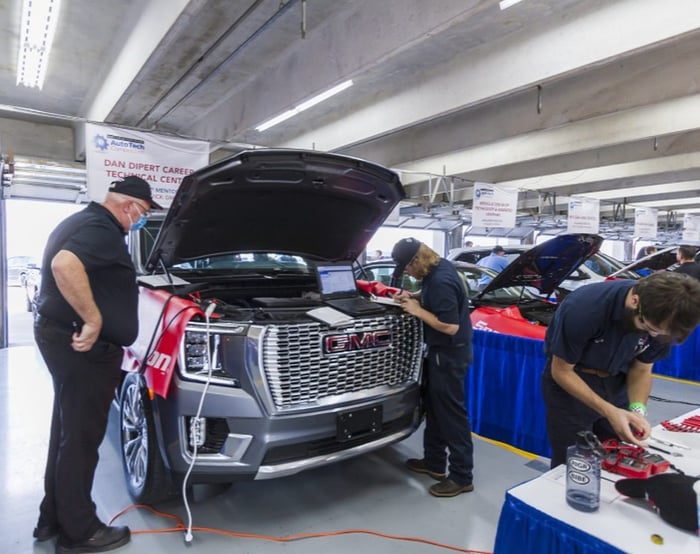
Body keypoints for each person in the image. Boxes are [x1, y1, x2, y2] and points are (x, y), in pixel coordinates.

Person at [33, 176, 162, 553]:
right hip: (82, 348)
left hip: (63, 339)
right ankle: (80, 532)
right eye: (142, 212)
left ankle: (51, 519)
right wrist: (93, 320)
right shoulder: (102, 229)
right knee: (82, 441)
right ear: (129, 206)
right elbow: (64, 264)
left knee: (67, 433)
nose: (140, 219)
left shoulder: (79, 222)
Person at [541, 272, 700, 468]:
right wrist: (610, 411)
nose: (653, 335)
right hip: (572, 384)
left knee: (619, 455)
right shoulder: (585, 308)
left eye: (660, 333)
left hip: (618, 381)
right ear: (635, 301)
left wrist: (637, 411)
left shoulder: (664, 319)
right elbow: (562, 370)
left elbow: (642, 369)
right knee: (574, 462)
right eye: (649, 328)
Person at [391, 237, 475, 497]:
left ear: (417, 260)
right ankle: (435, 463)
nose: (406, 272)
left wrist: (417, 310)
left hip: (449, 355)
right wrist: (412, 297)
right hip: (441, 354)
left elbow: (450, 326)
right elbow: (432, 295)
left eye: (407, 268)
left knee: (452, 415)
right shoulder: (437, 269)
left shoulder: (440, 280)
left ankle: (462, 476)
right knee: (435, 410)